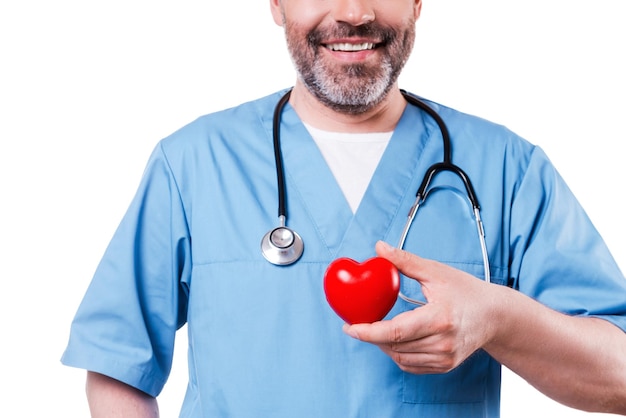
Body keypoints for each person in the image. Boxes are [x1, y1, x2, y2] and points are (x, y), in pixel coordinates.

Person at [61, 0, 626, 416]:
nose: (354, 11)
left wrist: (499, 320)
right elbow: (119, 365)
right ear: (277, 4)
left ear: (417, 3)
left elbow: (619, 376)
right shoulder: (192, 164)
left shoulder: (508, 168)